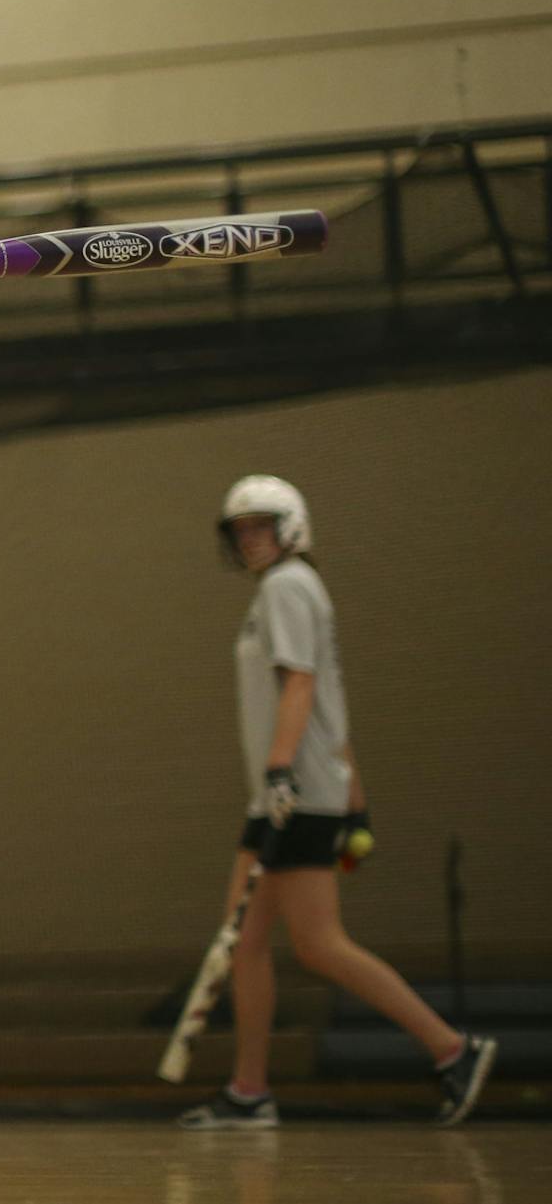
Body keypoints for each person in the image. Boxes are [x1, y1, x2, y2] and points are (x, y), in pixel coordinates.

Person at [177, 475, 496, 1130]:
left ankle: (452, 1048)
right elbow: (334, 709)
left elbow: (301, 685)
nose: (250, 539)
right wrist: (354, 799)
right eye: (241, 530)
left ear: (291, 526)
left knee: (316, 943)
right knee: (251, 942)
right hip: (297, 791)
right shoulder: (289, 590)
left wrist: (280, 773)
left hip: (290, 791)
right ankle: (249, 1090)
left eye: (261, 525)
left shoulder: (287, 586)